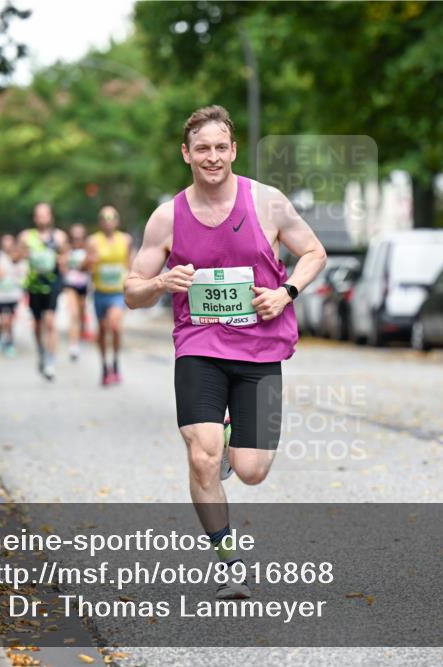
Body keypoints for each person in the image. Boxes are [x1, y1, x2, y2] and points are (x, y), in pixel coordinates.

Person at [125, 105, 327, 599]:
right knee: (202, 458)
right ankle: (228, 559)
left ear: (233, 150)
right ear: (185, 154)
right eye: (202, 149)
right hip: (200, 345)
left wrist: (287, 293)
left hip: (261, 348)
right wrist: (159, 282)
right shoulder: (167, 216)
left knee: (252, 470)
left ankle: (231, 442)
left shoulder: (268, 203)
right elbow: (130, 291)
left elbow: (314, 252)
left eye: (220, 148)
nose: (212, 157)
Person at [19, 203, 69, 381]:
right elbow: (16, 256)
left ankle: (50, 362)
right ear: (34, 217)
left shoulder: (59, 237)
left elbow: (65, 257)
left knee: (50, 321)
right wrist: (26, 256)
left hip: (53, 283)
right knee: (38, 324)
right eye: (38, 215)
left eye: (45, 214)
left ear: (50, 216)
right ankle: (41, 353)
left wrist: (60, 260)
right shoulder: (26, 236)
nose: (42, 218)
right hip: (34, 285)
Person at [87, 206, 135, 386]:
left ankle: (115, 361)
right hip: (100, 292)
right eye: (104, 218)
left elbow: (131, 263)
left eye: (112, 217)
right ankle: (104, 365)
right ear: (100, 221)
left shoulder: (126, 240)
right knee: (102, 330)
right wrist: (90, 262)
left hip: (117, 292)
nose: (108, 221)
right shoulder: (93, 241)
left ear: (117, 221)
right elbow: (85, 265)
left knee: (114, 326)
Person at [0, 234, 27, 357]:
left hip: (14, 295)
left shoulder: (20, 259)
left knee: (10, 320)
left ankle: (9, 342)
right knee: (2, 319)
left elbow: (24, 275)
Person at [63, 223, 92, 361]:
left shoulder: (88, 250)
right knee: (73, 314)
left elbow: (91, 267)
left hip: (84, 286)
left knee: (81, 314)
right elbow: (62, 266)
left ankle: (80, 336)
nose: (77, 240)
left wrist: (85, 265)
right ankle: (73, 345)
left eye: (80, 238)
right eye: (75, 238)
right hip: (71, 285)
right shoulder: (67, 250)